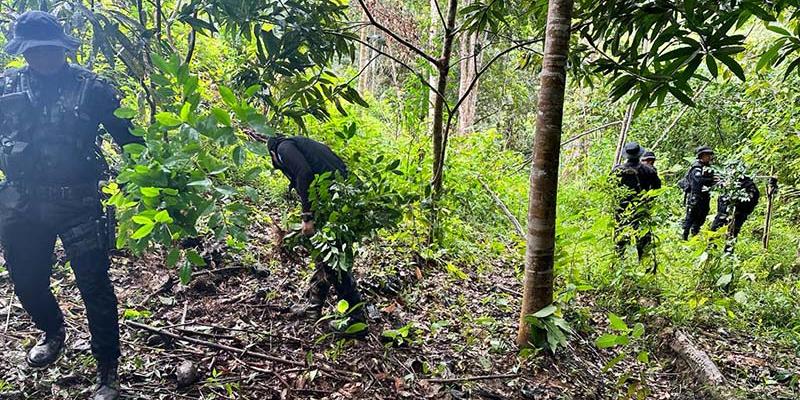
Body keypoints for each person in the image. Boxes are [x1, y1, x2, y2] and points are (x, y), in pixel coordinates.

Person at [0, 11, 142, 400]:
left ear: (63, 48)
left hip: (77, 201)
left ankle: (107, 372)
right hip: (22, 201)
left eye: (49, 50)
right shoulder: (7, 84)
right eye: (34, 51)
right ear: (23, 52)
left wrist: (150, 186)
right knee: (26, 281)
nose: (42, 58)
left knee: (94, 286)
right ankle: (54, 329)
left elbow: (133, 142)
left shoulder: (91, 88)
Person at [267, 135, 367, 337]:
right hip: (342, 201)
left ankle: (358, 321)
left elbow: (304, 173)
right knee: (325, 256)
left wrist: (307, 216)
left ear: (272, 154)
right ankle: (314, 309)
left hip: (333, 204)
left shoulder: (283, 148)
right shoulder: (306, 145)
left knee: (333, 262)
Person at [611, 142, 662, 265]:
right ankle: (644, 264)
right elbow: (657, 188)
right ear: (640, 154)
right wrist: (648, 200)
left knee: (621, 237)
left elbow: (610, 188)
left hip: (622, 210)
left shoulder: (617, 171)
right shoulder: (648, 171)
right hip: (641, 208)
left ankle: (620, 264)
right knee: (643, 238)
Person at [681, 146, 717, 240]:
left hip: (705, 196)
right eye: (707, 155)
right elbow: (698, 182)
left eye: (710, 155)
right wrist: (711, 180)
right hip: (695, 197)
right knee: (690, 217)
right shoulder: (696, 167)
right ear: (701, 156)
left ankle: (694, 234)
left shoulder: (708, 167)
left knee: (702, 216)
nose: (709, 157)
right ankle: (684, 237)